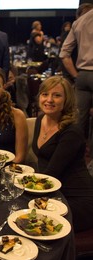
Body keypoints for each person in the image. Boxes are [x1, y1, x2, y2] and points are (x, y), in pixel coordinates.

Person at [32, 76, 93, 233]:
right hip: (53, 193)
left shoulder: (72, 131)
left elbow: (51, 175)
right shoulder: (41, 120)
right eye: (45, 94)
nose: (49, 100)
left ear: (66, 100)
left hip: (78, 200)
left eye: (57, 95)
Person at [59, 3, 93, 157]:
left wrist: (76, 75)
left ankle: (74, 157)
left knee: (78, 120)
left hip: (82, 76)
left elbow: (64, 54)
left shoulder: (78, 22)